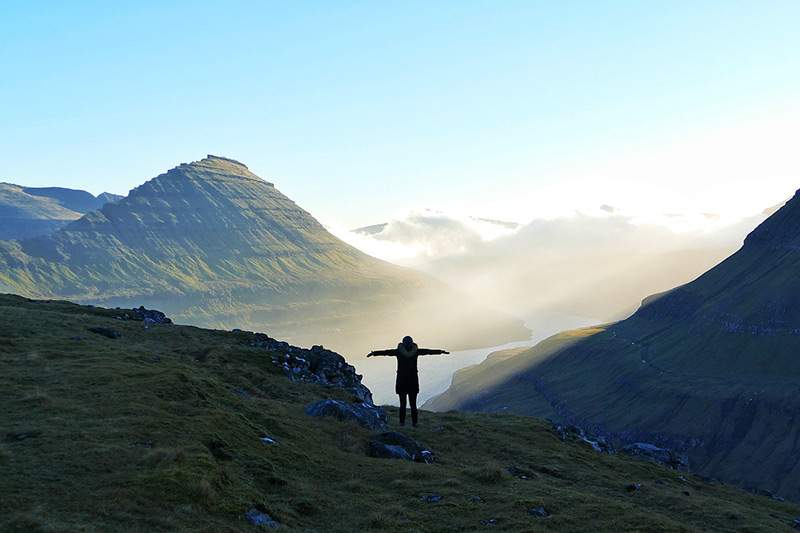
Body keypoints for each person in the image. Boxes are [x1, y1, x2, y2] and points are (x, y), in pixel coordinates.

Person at [367, 336, 449, 427]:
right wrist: (441, 351)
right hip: (413, 381)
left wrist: (374, 353)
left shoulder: (398, 351)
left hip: (401, 381)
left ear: (403, 343)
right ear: (412, 343)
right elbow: (428, 351)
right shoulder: (416, 351)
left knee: (403, 404)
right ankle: (415, 423)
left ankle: (402, 423)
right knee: (413, 404)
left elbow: (386, 352)